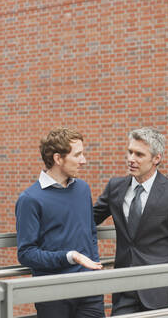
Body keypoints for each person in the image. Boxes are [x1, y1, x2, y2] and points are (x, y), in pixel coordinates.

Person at [93, 127, 168, 315]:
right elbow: (88, 219)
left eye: (139, 154)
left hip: (160, 291)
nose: (131, 159)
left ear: (157, 158)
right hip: (124, 290)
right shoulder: (115, 187)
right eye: (130, 152)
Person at [15, 127, 105, 318]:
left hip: (89, 290)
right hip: (52, 293)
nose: (84, 160)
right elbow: (26, 253)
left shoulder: (83, 189)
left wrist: (93, 267)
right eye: (78, 155)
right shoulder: (30, 199)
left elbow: (91, 234)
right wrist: (69, 256)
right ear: (58, 159)